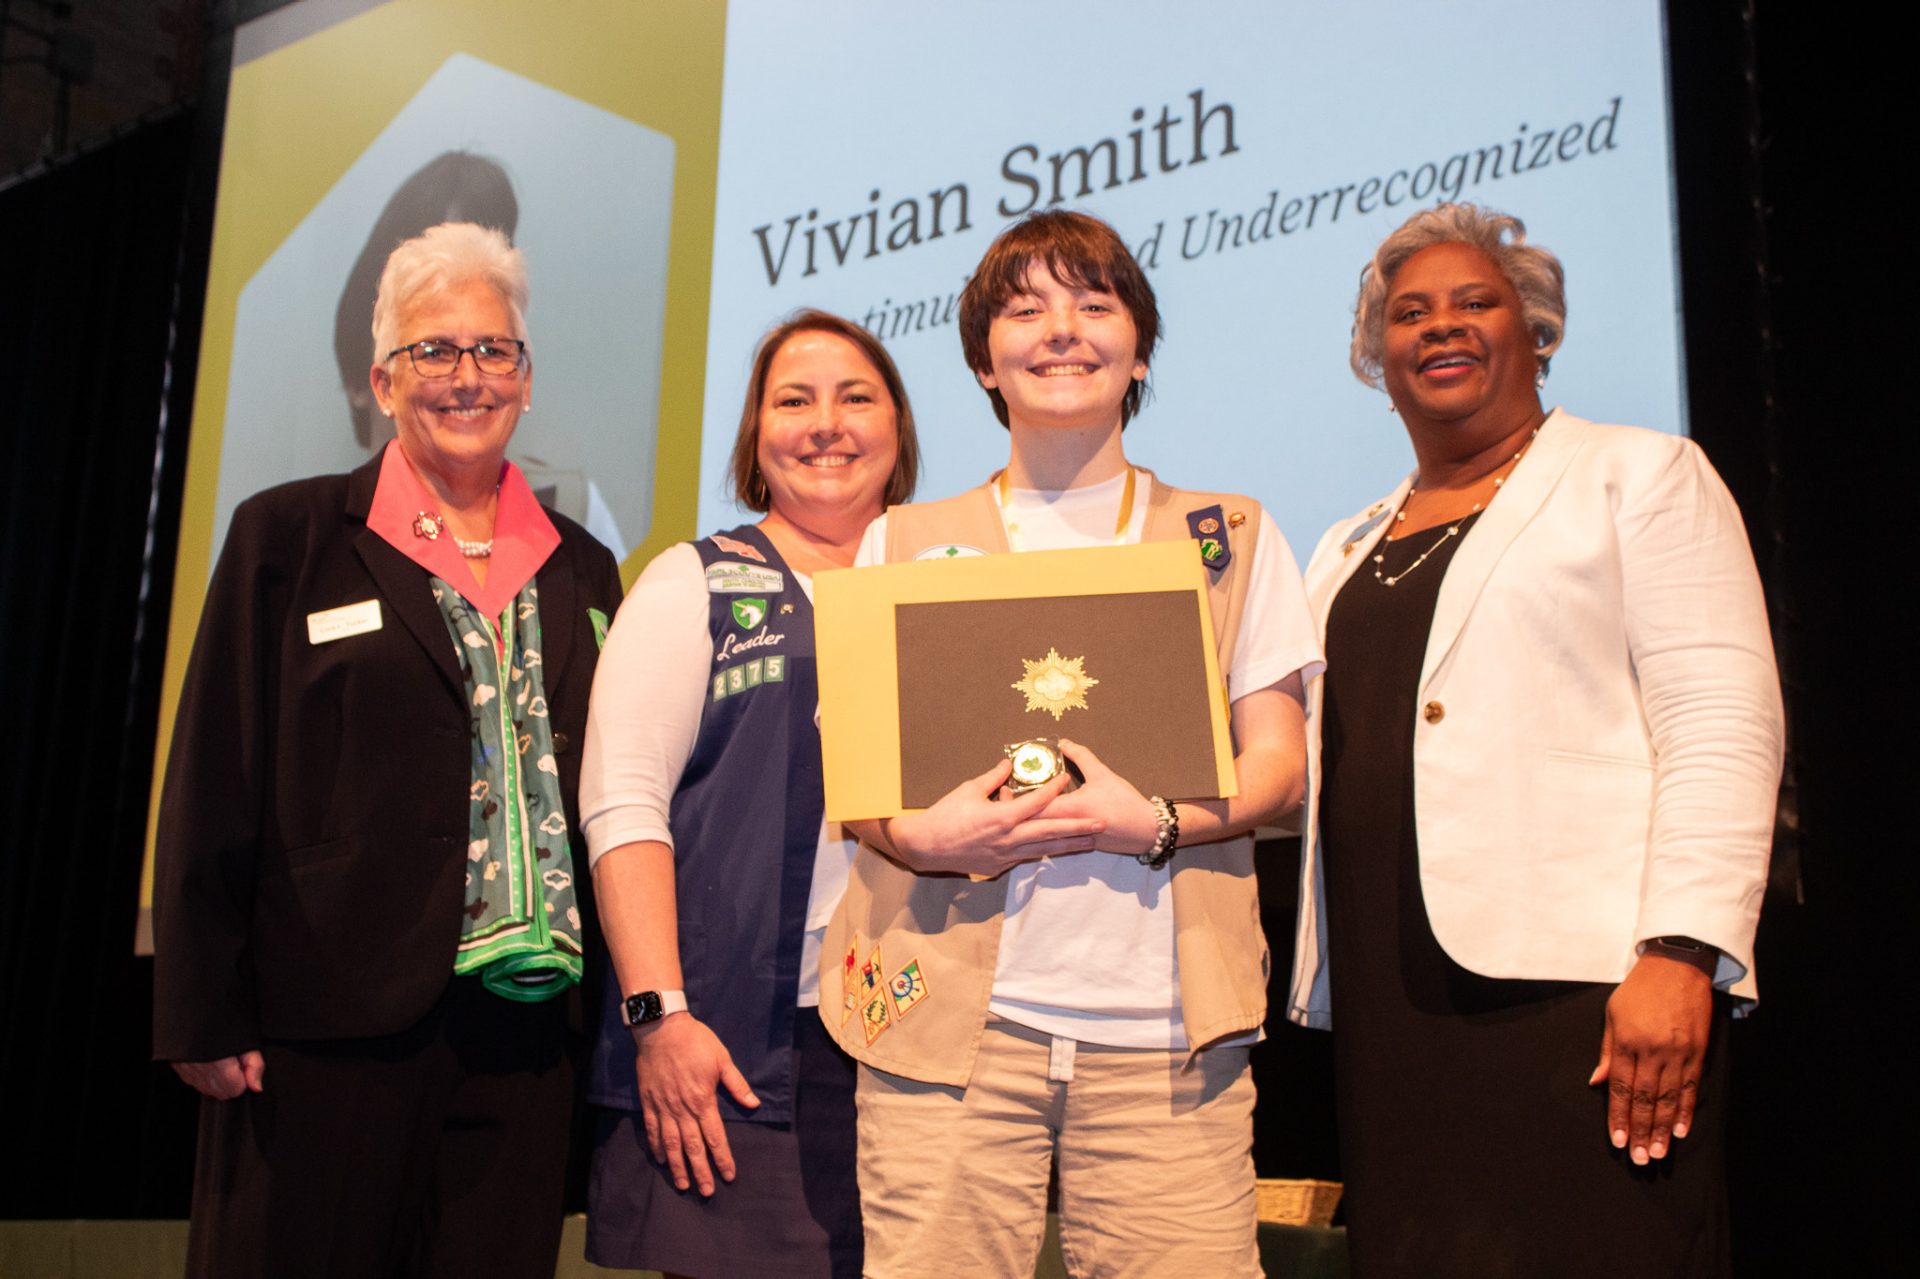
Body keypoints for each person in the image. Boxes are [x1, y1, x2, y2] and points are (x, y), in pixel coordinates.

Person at [823, 209, 1321, 1279]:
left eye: (1096, 305)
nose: (1062, 330)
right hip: (950, 1040)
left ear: (1139, 348)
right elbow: (859, 777)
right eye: (1024, 308)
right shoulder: (900, 541)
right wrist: (929, 835)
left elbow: (1281, 765)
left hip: (1168, 1047)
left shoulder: (1228, 535)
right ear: (983, 359)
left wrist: (1157, 823)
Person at [1289, 203, 1783, 1277]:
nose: (1441, 326)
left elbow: (1722, 721)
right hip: (1395, 1005)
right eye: (1410, 313)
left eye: (1476, 300)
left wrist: (1680, 952)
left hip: (1586, 1003)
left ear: (1535, 330)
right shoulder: (1344, 542)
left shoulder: (1637, 475)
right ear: (1379, 356)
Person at [152, 221, 623, 1278]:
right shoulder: (291, 536)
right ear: (380, 379)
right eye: (435, 351)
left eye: (493, 350)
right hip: (327, 1022)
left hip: (527, 1037)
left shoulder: (584, 566)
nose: (468, 376)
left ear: (528, 378)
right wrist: (199, 1001)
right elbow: (213, 772)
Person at [578, 310, 921, 1278]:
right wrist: (660, 1016)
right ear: (752, 436)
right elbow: (623, 805)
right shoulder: (694, 584)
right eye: (793, 399)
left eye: (857, 397)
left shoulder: (943, 585)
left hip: (913, 1053)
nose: (826, 423)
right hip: (733, 1055)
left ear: (897, 430)